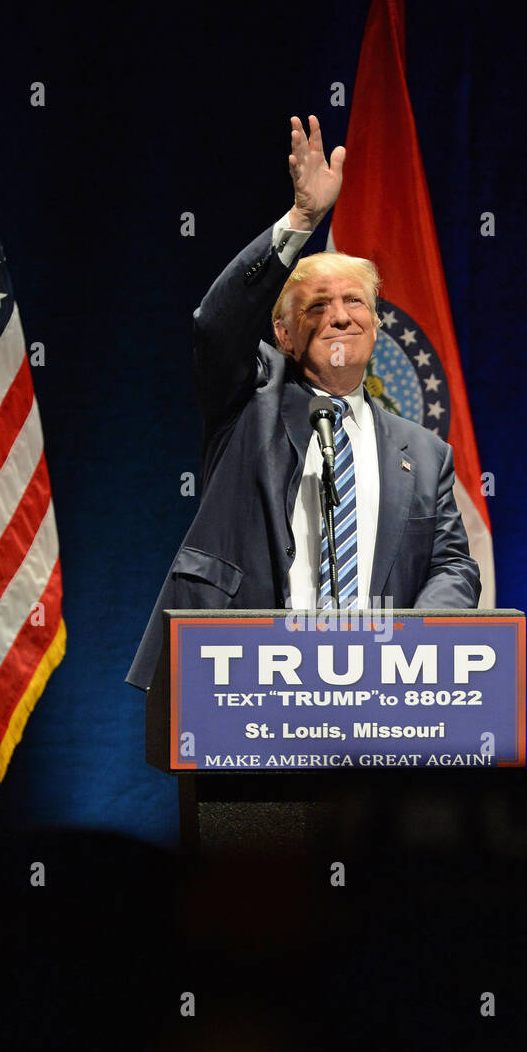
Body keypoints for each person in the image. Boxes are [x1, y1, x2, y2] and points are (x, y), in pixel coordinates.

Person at [127, 115, 480, 691]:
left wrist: (418, 636)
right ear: (283, 334)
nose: (341, 315)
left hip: (381, 684)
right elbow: (216, 328)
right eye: (317, 305)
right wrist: (302, 221)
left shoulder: (425, 453)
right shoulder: (251, 399)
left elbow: (453, 566)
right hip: (242, 679)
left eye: (355, 302)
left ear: (374, 326)